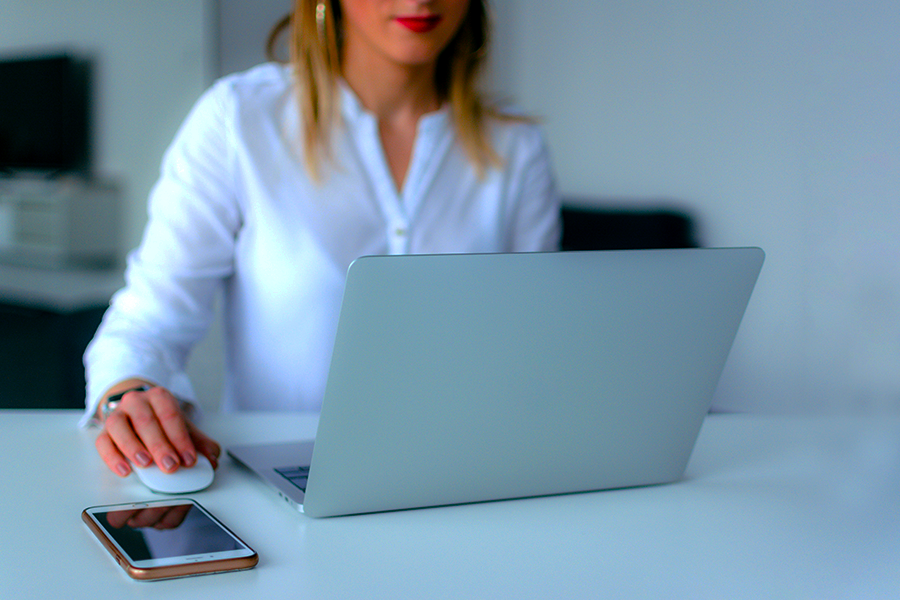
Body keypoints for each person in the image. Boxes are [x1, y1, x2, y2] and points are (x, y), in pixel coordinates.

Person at [81, 0, 561, 478]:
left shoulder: (516, 148)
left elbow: (535, 351)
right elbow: (147, 323)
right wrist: (129, 395)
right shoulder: (240, 120)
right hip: (284, 482)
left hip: (464, 478)